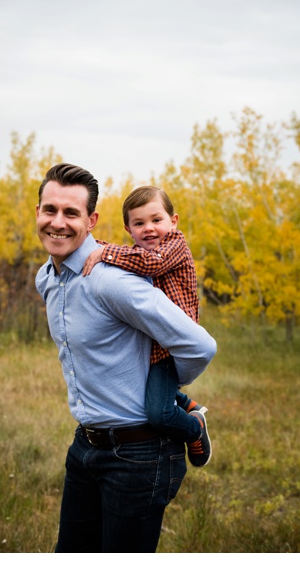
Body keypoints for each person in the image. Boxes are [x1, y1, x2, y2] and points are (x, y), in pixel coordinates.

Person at [34, 163, 216, 552]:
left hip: (138, 455)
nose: (58, 223)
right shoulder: (47, 278)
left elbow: (200, 345)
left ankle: (187, 418)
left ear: (92, 219)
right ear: (38, 213)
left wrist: (168, 386)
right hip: (85, 447)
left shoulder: (111, 280)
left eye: (71, 213)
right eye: (50, 210)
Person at [81, 186, 212, 468]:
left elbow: (152, 264)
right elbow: (128, 255)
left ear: (173, 221)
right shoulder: (136, 253)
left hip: (170, 346)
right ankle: (185, 401)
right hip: (149, 345)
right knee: (133, 387)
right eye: (139, 223)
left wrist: (106, 253)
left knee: (159, 413)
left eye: (156, 220)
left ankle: (193, 427)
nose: (149, 228)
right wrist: (90, 248)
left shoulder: (174, 245)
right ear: (128, 228)